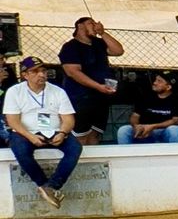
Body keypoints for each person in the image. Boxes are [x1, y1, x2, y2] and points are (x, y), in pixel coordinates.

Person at [3, 56, 81, 209]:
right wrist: (30, 137)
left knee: (75, 147)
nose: (41, 75)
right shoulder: (15, 91)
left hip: (54, 131)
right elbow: (13, 121)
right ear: (25, 75)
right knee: (20, 149)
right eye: (35, 71)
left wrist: (63, 133)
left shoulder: (58, 91)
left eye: (43, 71)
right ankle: (43, 184)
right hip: (26, 132)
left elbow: (68, 119)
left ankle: (52, 186)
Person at [58, 15, 123, 146]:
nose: (95, 25)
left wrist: (102, 33)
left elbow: (118, 51)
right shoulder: (71, 47)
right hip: (80, 97)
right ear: (80, 26)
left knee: (95, 134)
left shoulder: (98, 43)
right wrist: (97, 86)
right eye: (90, 23)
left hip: (100, 97)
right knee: (81, 135)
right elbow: (73, 72)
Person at [116, 72, 178, 144]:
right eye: (155, 80)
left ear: (168, 87)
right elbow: (135, 116)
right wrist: (136, 126)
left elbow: (175, 120)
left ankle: (175, 154)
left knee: (174, 130)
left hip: (163, 132)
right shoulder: (146, 96)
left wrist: (152, 126)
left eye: (159, 81)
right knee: (124, 130)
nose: (155, 83)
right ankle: (127, 154)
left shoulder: (176, 99)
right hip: (143, 131)